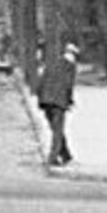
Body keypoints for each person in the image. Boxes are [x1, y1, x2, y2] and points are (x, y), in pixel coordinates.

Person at [34, 39, 79, 168]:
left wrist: (40, 99)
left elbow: (41, 81)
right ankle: (52, 158)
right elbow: (68, 85)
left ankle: (66, 155)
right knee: (58, 131)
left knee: (55, 129)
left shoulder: (52, 63)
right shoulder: (70, 67)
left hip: (46, 101)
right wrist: (69, 100)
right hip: (58, 102)